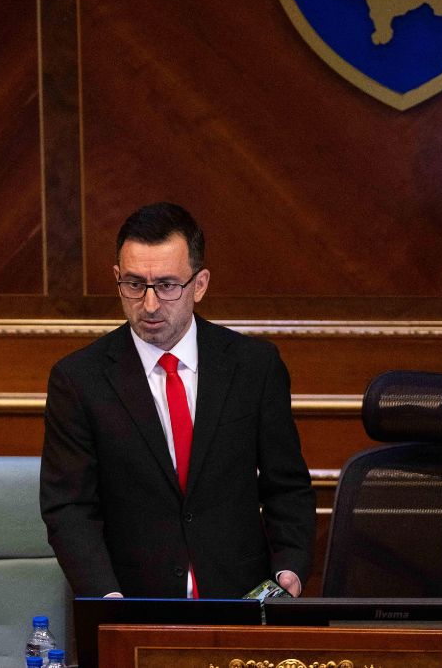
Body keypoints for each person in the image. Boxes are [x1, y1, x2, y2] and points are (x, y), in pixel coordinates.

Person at [40, 202, 316, 599]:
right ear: (117, 279)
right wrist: (106, 599)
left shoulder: (254, 366)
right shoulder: (79, 380)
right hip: (132, 603)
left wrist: (290, 567)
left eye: (167, 286)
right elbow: (69, 508)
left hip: (240, 600)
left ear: (199, 284)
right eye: (134, 285)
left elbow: (287, 486)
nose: (150, 304)